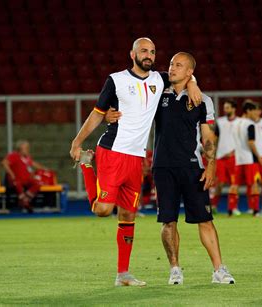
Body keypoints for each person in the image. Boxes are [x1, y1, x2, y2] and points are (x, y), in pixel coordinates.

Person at [69, 38, 202, 287]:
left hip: (136, 157)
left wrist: (193, 83)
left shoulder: (159, 79)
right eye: (143, 51)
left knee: (129, 215)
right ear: (132, 54)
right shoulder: (116, 80)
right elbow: (98, 114)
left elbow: (184, 75)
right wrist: (77, 142)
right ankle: (87, 165)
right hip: (112, 151)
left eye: (152, 51)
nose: (148, 55)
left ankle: (123, 274)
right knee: (103, 210)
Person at [152, 52, 235, 285]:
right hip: (163, 166)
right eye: (171, 64)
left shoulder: (203, 100)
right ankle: (175, 269)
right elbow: (148, 76)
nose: (172, 68)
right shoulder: (158, 93)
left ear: (189, 70)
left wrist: (211, 164)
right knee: (168, 221)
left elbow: (208, 136)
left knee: (205, 219)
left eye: (179, 65)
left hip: (192, 166)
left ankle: (219, 269)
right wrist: (192, 81)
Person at [213, 100, 240, 216]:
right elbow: (215, 138)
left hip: (234, 157)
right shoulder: (220, 122)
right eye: (225, 108)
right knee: (219, 184)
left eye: (228, 107)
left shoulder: (240, 122)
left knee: (234, 183)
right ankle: (213, 205)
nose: (226, 110)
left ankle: (232, 207)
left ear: (234, 109)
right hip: (220, 157)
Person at [233, 102, 261, 216]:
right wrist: (258, 156)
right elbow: (251, 142)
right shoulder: (250, 124)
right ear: (248, 111)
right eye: (254, 111)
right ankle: (255, 210)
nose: (256, 113)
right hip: (249, 158)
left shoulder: (235, 123)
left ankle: (231, 209)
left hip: (238, 158)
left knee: (235, 184)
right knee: (254, 184)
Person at [2, 140, 45, 212]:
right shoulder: (14, 155)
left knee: (37, 183)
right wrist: (11, 174)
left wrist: (44, 169)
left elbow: (33, 164)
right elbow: (4, 163)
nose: (28, 150)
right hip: (17, 180)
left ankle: (25, 200)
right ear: (20, 149)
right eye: (26, 148)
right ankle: (25, 203)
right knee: (18, 184)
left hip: (26, 180)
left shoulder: (27, 157)